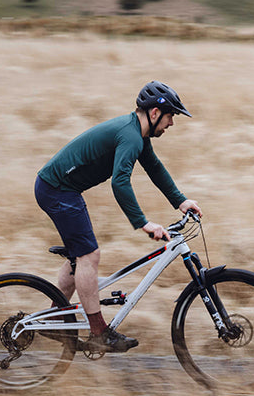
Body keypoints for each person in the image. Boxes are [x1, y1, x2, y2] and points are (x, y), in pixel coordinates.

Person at [34, 80, 203, 353]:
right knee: (90, 255)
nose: (172, 123)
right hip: (57, 191)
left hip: (62, 190)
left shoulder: (138, 134)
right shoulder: (131, 135)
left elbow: (155, 168)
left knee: (81, 255)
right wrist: (144, 223)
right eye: (171, 116)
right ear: (155, 113)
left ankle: (53, 317)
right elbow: (120, 183)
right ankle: (99, 332)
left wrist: (180, 201)